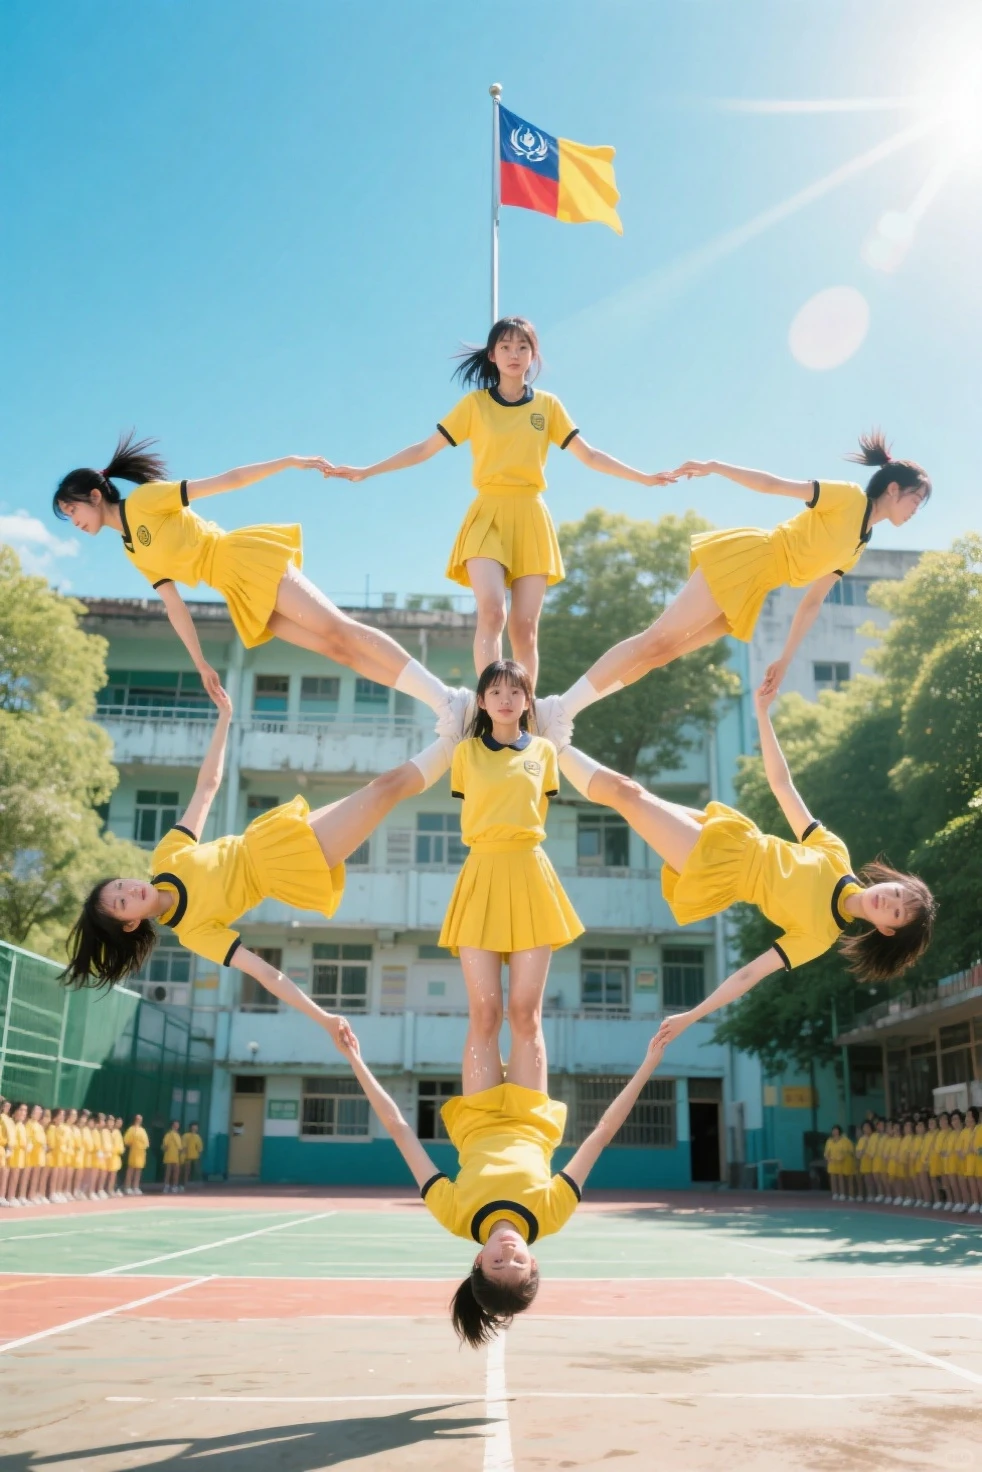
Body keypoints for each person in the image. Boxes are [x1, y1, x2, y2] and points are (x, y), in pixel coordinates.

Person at [550, 684, 934, 1049]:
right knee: (630, 791)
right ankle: (551, 741)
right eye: (897, 893)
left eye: (897, 913)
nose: (890, 902)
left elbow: (750, 974)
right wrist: (763, 714)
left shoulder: (818, 936)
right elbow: (783, 786)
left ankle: (552, 743)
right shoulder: (836, 853)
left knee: (627, 795)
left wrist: (693, 1015)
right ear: (891, 881)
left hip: (719, 868)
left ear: (886, 929)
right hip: (732, 833)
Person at [62, 691, 458, 1038]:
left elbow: (207, 786)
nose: (128, 890)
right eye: (121, 904)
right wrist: (322, 1017)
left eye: (120, 886)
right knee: (386, 791)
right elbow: (266, 973)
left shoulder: (166, 857)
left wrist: (224, 719)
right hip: (289, 866)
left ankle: (456, 736)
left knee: (380, 786)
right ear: (130, 924)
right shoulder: (194, 933)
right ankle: (458, 737)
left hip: (274, 834)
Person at [330, 317, 673, 686]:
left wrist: (644, 477)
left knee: (525, 630)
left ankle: (525, 710)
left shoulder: (548, 406)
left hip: (530, 515)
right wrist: (367, 470)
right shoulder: (475, 405)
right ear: (492, 354)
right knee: (493, 612)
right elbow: (423, 450)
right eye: (506, 347)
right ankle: (489, 703)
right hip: (487, 514)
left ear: (533, 355)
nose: (514, 354)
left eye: (523, 347)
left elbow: (589, 456)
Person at [53, 432, 470, 732]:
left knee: (338, 628)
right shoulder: (131, 550)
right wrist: (200, 663)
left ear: (94, 495)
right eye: (68, 517)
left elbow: (226, 481)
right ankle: (442, 706)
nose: (75, 523)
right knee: (335, 649)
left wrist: (287, 461)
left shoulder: (145, 501)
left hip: (244, 560)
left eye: (73, 511)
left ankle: (447, 698)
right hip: (236, 591)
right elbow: (174, 606)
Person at [548, 430, 931, 732]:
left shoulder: (862, 543)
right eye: (916, 500)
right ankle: (558, 708)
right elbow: (774, 485)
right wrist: (715, 465)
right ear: (893, 488)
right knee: (656, 638)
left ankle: (565, 712)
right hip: (750, 559)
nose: (917, 510)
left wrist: (785, 658)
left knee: (661, 655)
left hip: (757, 586)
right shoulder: (847, 498)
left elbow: (813, 601)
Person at [336, 1021, 668, 1347]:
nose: (508, 1253)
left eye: (497, 1262)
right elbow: (602, 1134)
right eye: (519, 1263)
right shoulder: (550, 1215)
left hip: (479, 1108)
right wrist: (649, 1064)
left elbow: (399, 1129)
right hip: (531, 1109)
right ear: (534, 1262)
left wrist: (355, 1059)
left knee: (486, 1018)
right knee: (526, 1019)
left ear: (479, 1261)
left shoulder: (456, 1215)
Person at [123, 1114, 150, 1195]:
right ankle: (127, 1187)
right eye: (138, 1119)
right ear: (135, 1119)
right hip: (133, 1152)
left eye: (140, 1119)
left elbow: (146, 1143)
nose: (139, 1120)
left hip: (141, 1153)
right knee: (130, 1169)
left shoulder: (143, 1130)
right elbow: (127, 1141)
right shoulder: (131, 1129)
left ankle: (135, 1187)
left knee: (138, 1170)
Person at [161, 1122, 183, 1193]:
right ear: (172, 1126)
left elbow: (180, 1147)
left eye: (177, 1125)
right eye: (175, 1125)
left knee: (176, 1172)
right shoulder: (168, 1135)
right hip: (169, 1155)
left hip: (176, 1156)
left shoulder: (178, 1135)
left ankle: (174, 1186)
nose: (176, 1126)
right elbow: (165, 1145)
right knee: (168, 1171)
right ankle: (166, 1186)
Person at [181, 1122, 204, 1188]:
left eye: (196, 1127)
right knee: (186, 1171)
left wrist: (199, 1155)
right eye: (193, 1126)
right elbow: (183, 1146)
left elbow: (200, 1148)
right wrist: (183, 1155)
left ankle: (197, 1183)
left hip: (195, 1157)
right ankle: (184, 1184)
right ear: (190, 1127)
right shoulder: (186, 1135)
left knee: (197, 1170)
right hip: (187, 1157)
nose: (195, 1128)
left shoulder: (198, 1137)